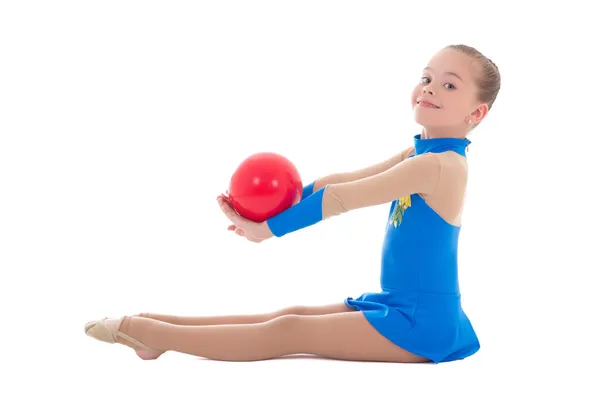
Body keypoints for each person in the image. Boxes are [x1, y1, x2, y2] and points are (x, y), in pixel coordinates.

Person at [84, 44, 501, 364]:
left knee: (289, 330)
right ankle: (160, 325)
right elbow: (343, 180)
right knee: (292, 313)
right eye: (427, 76)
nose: (429, 87)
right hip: (398, 303)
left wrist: (269, 231)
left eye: (449, 84)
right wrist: (272, 207)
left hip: (420, 324)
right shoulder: (423, 156)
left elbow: (344, 199)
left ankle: (153, 335)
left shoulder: (443, 165)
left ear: (477, 112)